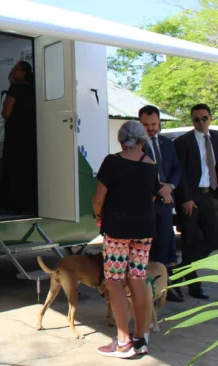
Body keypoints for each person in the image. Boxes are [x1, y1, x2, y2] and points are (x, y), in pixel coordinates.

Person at [92, 120, 171, 358]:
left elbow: (98, 198)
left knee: (115, 282)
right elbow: (152, 195)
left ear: (121, 139)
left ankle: (123, 341)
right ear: (142, 140)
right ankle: (140, 338)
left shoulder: (112, 161)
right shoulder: (150, 165)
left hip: (117, 230)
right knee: (138, 279)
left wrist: (99, 216)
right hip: (144, 230)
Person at [137, 105, 184, 302]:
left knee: (164, 244)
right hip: (146, 205)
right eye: (146, 125)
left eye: (154, 124)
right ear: (139, 124)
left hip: (165, 204)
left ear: (159, 123)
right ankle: (144, 289)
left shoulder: (167, 143)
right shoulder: (135, 145)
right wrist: (159, 190)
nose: (151, 128)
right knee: (146, 247)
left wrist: (170, 187)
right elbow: (137, 173)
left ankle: (163, 288)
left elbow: (176, 168)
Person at [173, 103, 218, 300]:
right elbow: (179, 173)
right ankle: (194, 286)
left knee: (213, 239)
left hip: (209, 196)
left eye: (204, 118)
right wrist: (186, 198)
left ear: (210, 118)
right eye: (196, 119)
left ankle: (179, 270)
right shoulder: (183, 142)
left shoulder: (216, 138)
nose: (200, 122)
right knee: (190, 242)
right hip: (190, 198)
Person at [0, 61, 36, 214]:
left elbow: (6, 113)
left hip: (15, 135)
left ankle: (10, 205)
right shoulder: (34, 89)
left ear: (24, 73)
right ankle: (26, 205)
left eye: (16, 69)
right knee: (27, 170)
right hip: (30, 136)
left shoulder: (15, 88)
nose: (12, 71)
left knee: (12, 169)